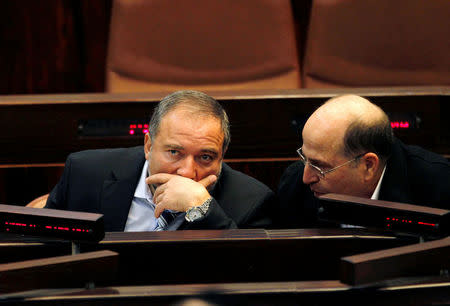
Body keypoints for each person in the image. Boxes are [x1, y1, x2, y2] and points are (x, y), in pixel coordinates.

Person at [45, 90, 275, 231]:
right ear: (148, 146)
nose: (186, 172)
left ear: (222, 157)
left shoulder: (251, 202)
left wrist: (203, 209)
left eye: (205, 157)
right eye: (174, 152)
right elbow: (43, 251)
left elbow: (245, 274)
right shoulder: (85, 173)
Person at [276, 94, 450, 228]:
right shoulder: (294, 186)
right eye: (304, 158)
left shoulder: (439, 187)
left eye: (319, 166)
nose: (306, 178)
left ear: (368, 165)